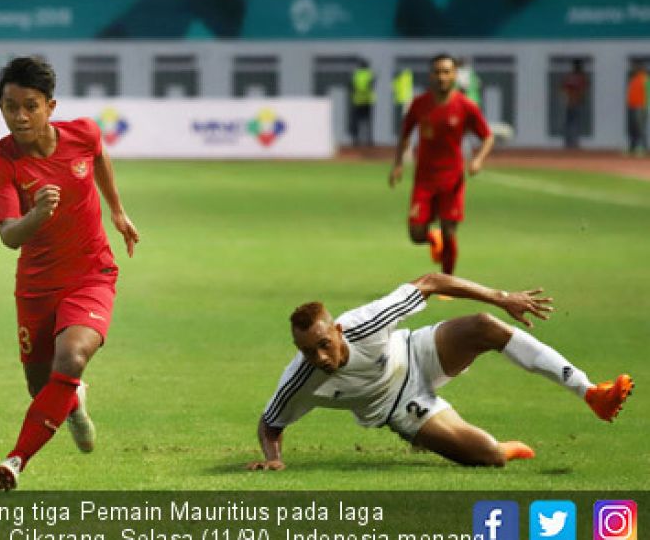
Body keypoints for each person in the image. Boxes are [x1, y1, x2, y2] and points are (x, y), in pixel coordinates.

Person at [247, 272, 633, 471]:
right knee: (488, 458)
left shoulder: (367, 323)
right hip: (400, 406)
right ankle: (501, 447)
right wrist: (274, 457)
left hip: (417, 352)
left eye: (323, 344)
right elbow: (271, 423)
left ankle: (589, 392)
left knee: (484, 325)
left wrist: (501, 298)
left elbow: (429, 282)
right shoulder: (301, 378)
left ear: (339, 331)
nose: (319, 357)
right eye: (307, 351)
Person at [0, 56, 140, 491]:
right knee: (43, 388)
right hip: (36, 286)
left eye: (30, 106)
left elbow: (100, 156)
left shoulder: (83, 133)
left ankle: (15, 460)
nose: (19, 116)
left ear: (51, 106)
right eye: (10, 106)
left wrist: (118, 212)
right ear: (0, 108)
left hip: (92, 274)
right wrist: (37, 215)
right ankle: (74, 401)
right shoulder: (0, 162)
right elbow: (10, 236)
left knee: (70, 358)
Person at [389, 53, 494, 276]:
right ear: (430, 75)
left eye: (446, 71)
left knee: (450, 232)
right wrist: (398, 164)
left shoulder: (465, 106)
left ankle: (448, 282)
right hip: (424, 179)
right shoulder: (419, 104)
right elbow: (405, 134)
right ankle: (431, 237)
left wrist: (477, 160)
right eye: (437, 72)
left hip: (452, 178)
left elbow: (488, 136)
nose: (442, 77)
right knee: (416, 234)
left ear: (455, 74)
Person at [561, 59, 589, 149]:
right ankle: (573, 143)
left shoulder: (570, 77)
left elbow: (564, 88)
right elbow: (583, 89)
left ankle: (569, 143)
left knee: (569, 123)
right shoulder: (580, 77)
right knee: (575, 123)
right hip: (575, 103)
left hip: (570, 103)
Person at [349, 58, 375, 147]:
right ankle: (369, 140)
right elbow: (372, 85)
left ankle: (356, 140)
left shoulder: (356, 75)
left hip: (358, 101)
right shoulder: (370, 74)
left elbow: (352, 86)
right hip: (368, 101)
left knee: (356, 121)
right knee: (368, 122)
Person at [625, 62, 647, 156]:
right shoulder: (634, 79)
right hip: (632, 106)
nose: (634, 70)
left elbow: (648, 93)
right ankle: (632, 148)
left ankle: (644, 148)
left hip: (640, 106)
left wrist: (646, 106)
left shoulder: (645, 79)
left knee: (640, 128)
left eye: (635, 68)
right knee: (633, 128)